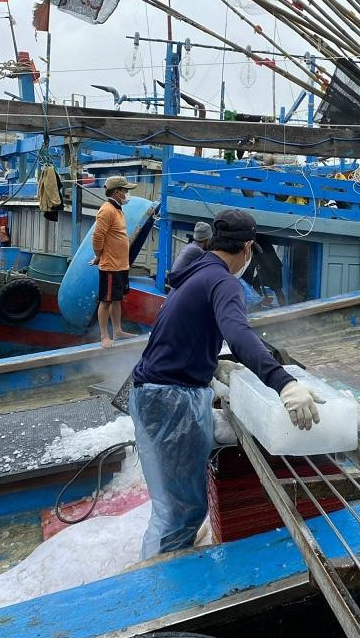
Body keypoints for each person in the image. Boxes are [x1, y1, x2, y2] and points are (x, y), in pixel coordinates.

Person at [129, 208, 324, 558]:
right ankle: (160, 589)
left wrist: (211, 363)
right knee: (181, 512)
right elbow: (238, 333)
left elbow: (184, 331)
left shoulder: (196, 271)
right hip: (171, 399)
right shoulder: (223, 281)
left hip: (157, 393)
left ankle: (163, 565)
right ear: (247, 248)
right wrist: (284, 383)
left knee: (174, 507)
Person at [93, 175, 139, 348]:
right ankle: (104, 335)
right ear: (118, 192)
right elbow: (98, 237)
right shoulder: (107, 210)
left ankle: (118, 330)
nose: (127, 194)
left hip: (121, 264)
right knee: (106, 300)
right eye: (125, 190)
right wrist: (99, 255)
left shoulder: (118, 209)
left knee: (117, 299)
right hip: (110, 265)